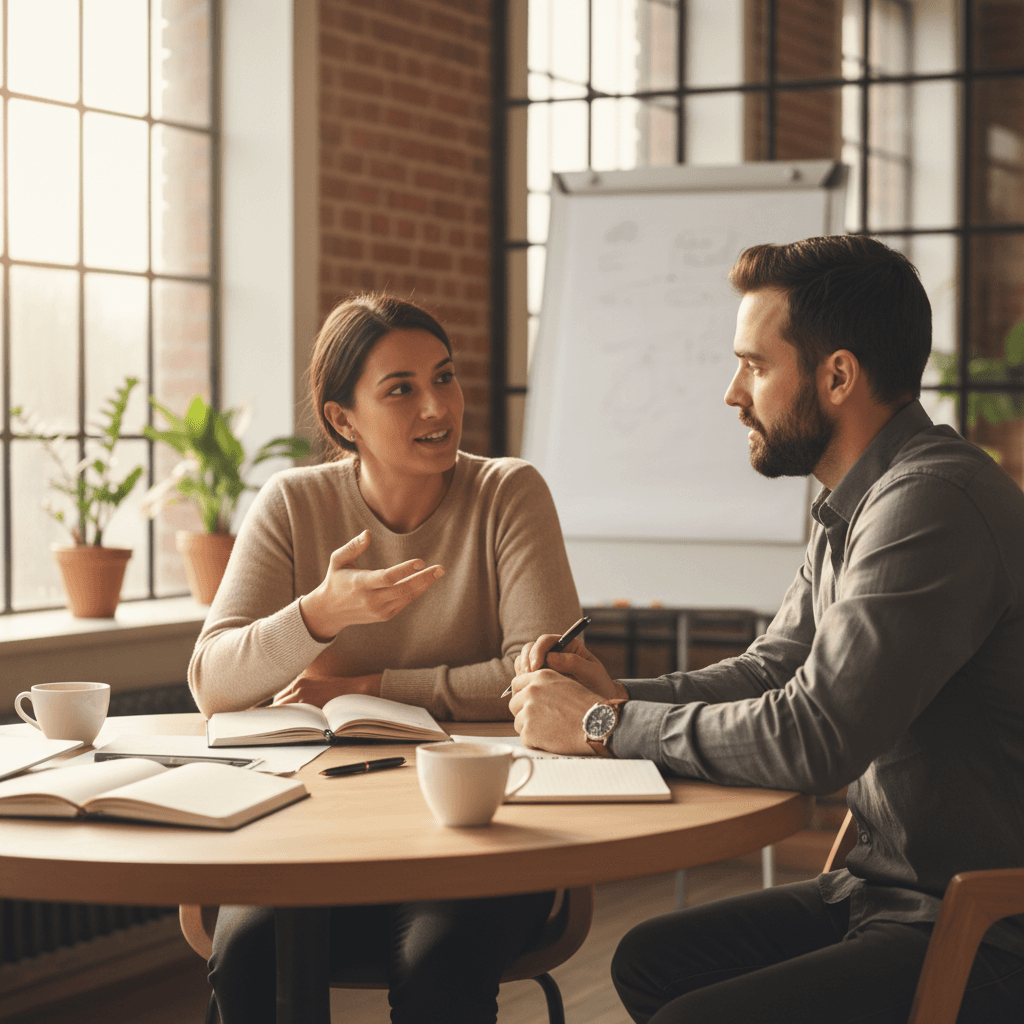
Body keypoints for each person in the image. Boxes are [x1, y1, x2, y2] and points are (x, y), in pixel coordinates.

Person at [508, 235, 1024, 1023]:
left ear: (838, 375)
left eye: (754, 364)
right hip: (877, 890)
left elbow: (817, 735)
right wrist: (615, 693)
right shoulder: (858, 499)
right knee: (652, 960)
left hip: (978, 924)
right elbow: (774, 667)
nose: (731, 392)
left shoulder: (931, 502)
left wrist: (602, 726)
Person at [190, 293, 581, 1024]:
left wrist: (372, 684)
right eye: (401, 389)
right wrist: (319, 614)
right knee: (247, 957)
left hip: (480, 829)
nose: (438, 407)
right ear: (344, 420)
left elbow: (547, 678)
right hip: (316, 831)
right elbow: (213, 682)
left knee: (439, 968)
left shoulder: (508, 493)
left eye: (445, 377)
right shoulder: (291, 504)